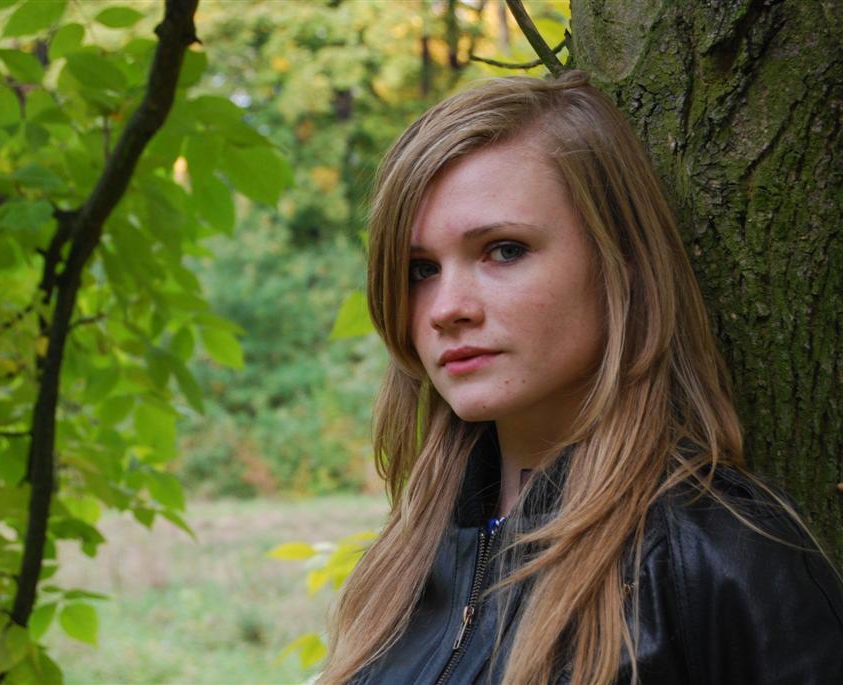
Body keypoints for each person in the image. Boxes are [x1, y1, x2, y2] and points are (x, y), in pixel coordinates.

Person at [318, 71, 843, 685]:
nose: (446, 308)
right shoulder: (404, 565)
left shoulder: (717, 554)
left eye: (504, 250)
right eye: (420, 270)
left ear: (621, 264)